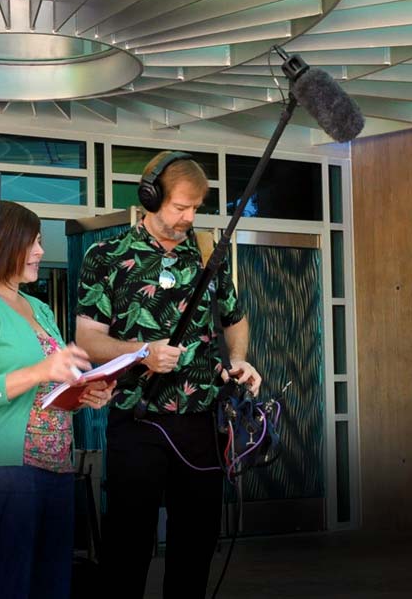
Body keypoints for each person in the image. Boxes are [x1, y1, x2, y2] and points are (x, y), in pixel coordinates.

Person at [76, 151, 263, 598]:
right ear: (150, 196)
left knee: (195, 550)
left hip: (199, 423)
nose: (188, 217)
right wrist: (141, 353)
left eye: (195, 207)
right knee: (128, 549)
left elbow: (234, 320)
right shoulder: (106, 256)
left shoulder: (206, 254)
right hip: (136, 421)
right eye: (181, 206)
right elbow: (87, 339)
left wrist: (239, 358)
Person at [0, 201, 115, 598]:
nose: (40, 252)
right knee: (7, 584)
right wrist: (41, 371)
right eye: (33, 243)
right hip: (2, 470)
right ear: (2, 243)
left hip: (55, 467)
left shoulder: (37, 306)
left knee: (52, 585)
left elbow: (49, 388)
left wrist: (83, 391)